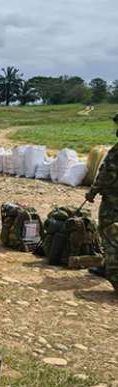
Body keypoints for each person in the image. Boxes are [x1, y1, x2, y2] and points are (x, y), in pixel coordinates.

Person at [86, 112, 118, 297]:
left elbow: (107, 175)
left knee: (108, 233)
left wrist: (92, 192)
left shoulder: (115, 152)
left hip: (113, 200)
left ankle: (110, 267)